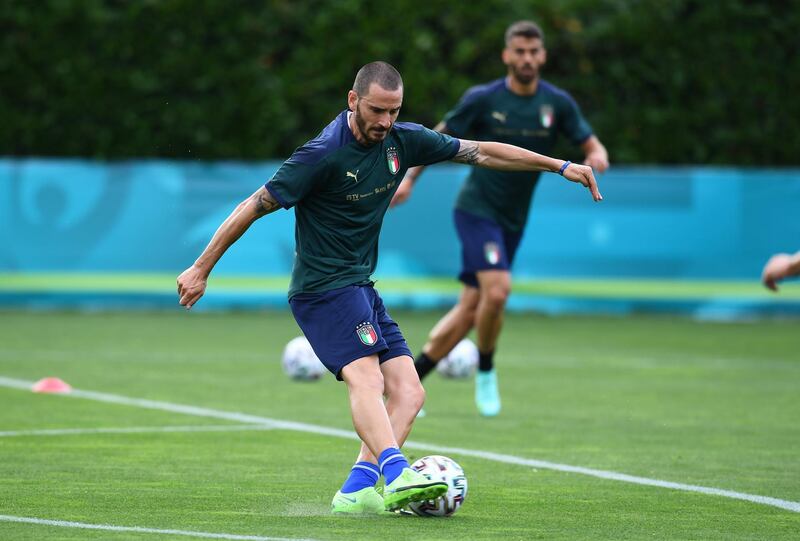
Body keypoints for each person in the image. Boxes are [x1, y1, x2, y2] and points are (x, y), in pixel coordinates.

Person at [176, 61, 601, 516]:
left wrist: (560, 165)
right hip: (322, 289)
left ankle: (358, 488)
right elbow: (253, 206)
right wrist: (201, 267)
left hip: (359, 285)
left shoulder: (403, 139)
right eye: (377, 110)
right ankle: (397, 474)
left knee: (411, 393)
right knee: (367, 377)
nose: (385, 121)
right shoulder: (321, 153)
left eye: (394, 111)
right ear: (353, 101)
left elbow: (482, 152)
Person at [390, 20, 610, 417]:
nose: (527, 59)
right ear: (507, 55)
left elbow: (592, 144)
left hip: (513, 220)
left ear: (542, 56)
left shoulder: (556, 103)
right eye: (519, 52)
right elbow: (438, 136)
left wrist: (597, 157)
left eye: (534, 51)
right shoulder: (483, 98)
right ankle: (487, 370)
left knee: (472, 309)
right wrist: (409, 179)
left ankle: (412, 381)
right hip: (476, 210)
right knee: (498, 292)